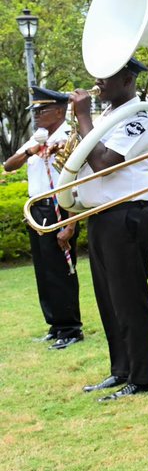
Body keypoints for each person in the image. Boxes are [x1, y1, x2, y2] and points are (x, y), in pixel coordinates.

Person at [72, 58, 148, 401]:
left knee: (129, 298)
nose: (98, 81)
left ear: (127, 79)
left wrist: (82, 117)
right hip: (104, 214)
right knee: (108, 299)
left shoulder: (138, 118)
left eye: (107, 75)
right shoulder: (110, 117)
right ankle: (120, 369)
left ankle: (143, 376)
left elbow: (104, 164)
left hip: (128, 213)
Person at [3, 87, 83, 349]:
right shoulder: (39, 137)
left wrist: (70, 224)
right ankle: (56, 325)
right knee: (44, 271)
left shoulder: (70, 137)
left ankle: (71, 329)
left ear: (59, 111)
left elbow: (74, 183)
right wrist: (30, 150)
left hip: (58, 208)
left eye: (41, 110)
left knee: (61, 270)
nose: (36, 115)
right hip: (36, 209)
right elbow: (8, 165)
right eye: (34, 111)